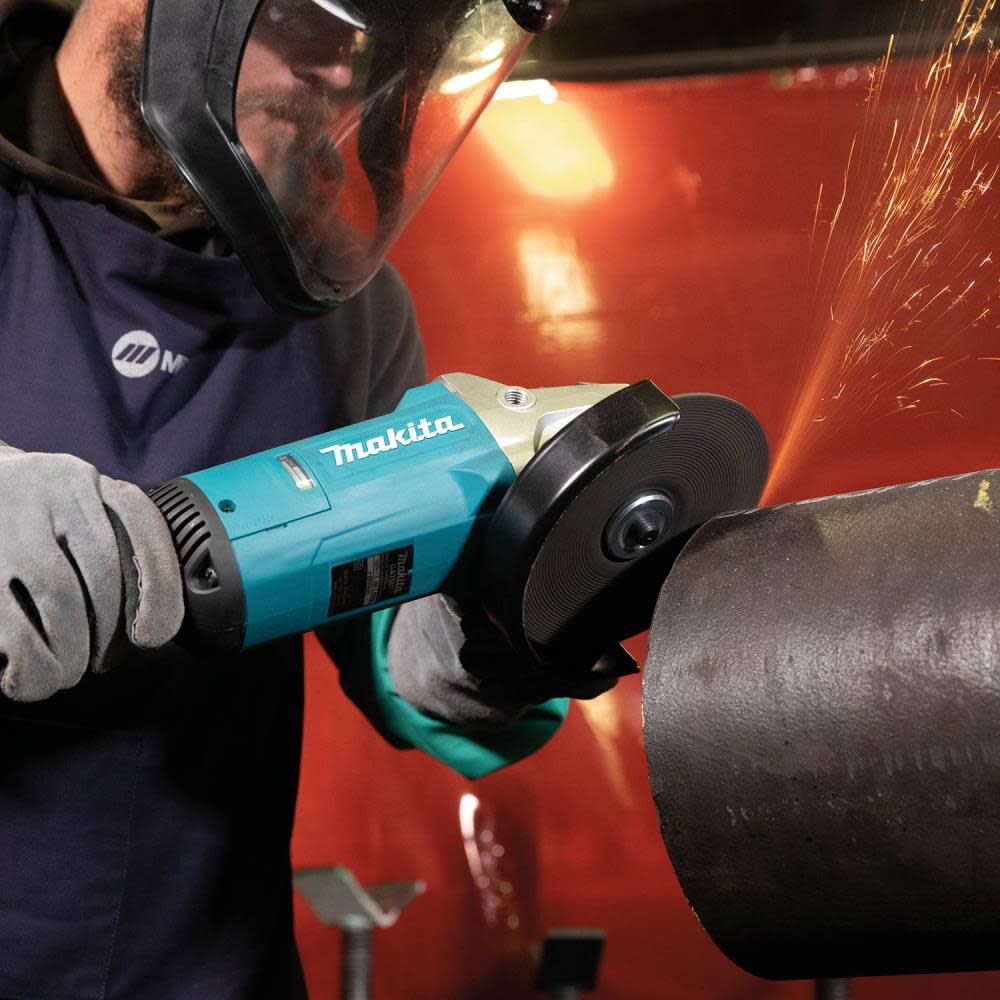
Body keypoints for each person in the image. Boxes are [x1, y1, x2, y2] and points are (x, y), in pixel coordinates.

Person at [0, 0, 609, 997]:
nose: (339, 73)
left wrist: (499, 614)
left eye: (363, 44)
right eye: (309, 22)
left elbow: (394, 635)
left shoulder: (336, 310)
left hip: (209, 969)